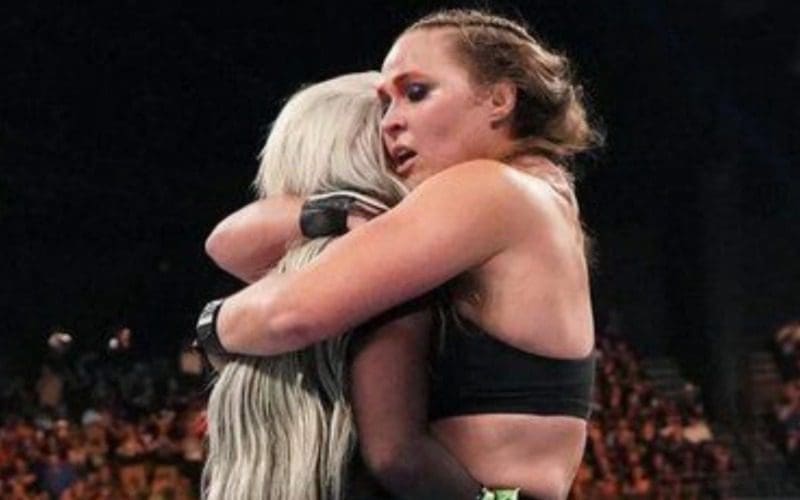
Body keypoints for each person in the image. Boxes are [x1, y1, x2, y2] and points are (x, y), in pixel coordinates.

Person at [204, 9, 602, 499]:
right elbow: (231, 244)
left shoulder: (488, 188)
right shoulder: (539, 194)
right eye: (385, 103)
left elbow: (288, 316)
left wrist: (213, 325)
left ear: (499, 100)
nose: (391, 122)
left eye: (416, 92)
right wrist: (334, 212)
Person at [201, 72, 481, 500]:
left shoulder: (281, 271)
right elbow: (396, 455)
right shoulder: (387, 272)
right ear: (375, 150)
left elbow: (223, 243)